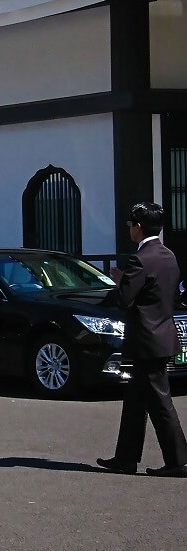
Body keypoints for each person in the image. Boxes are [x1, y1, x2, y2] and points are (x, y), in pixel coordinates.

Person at [98, 202, 187, 478]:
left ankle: (178, 461)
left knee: (160, 401)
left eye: (131, 224)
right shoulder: (168, 255)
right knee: (135, 400)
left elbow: (125, 299)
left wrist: (120, 280)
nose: (130, 229)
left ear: (138, 227)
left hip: (146, 339)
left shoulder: (140, 259)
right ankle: (125, 458)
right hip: (162, 334)